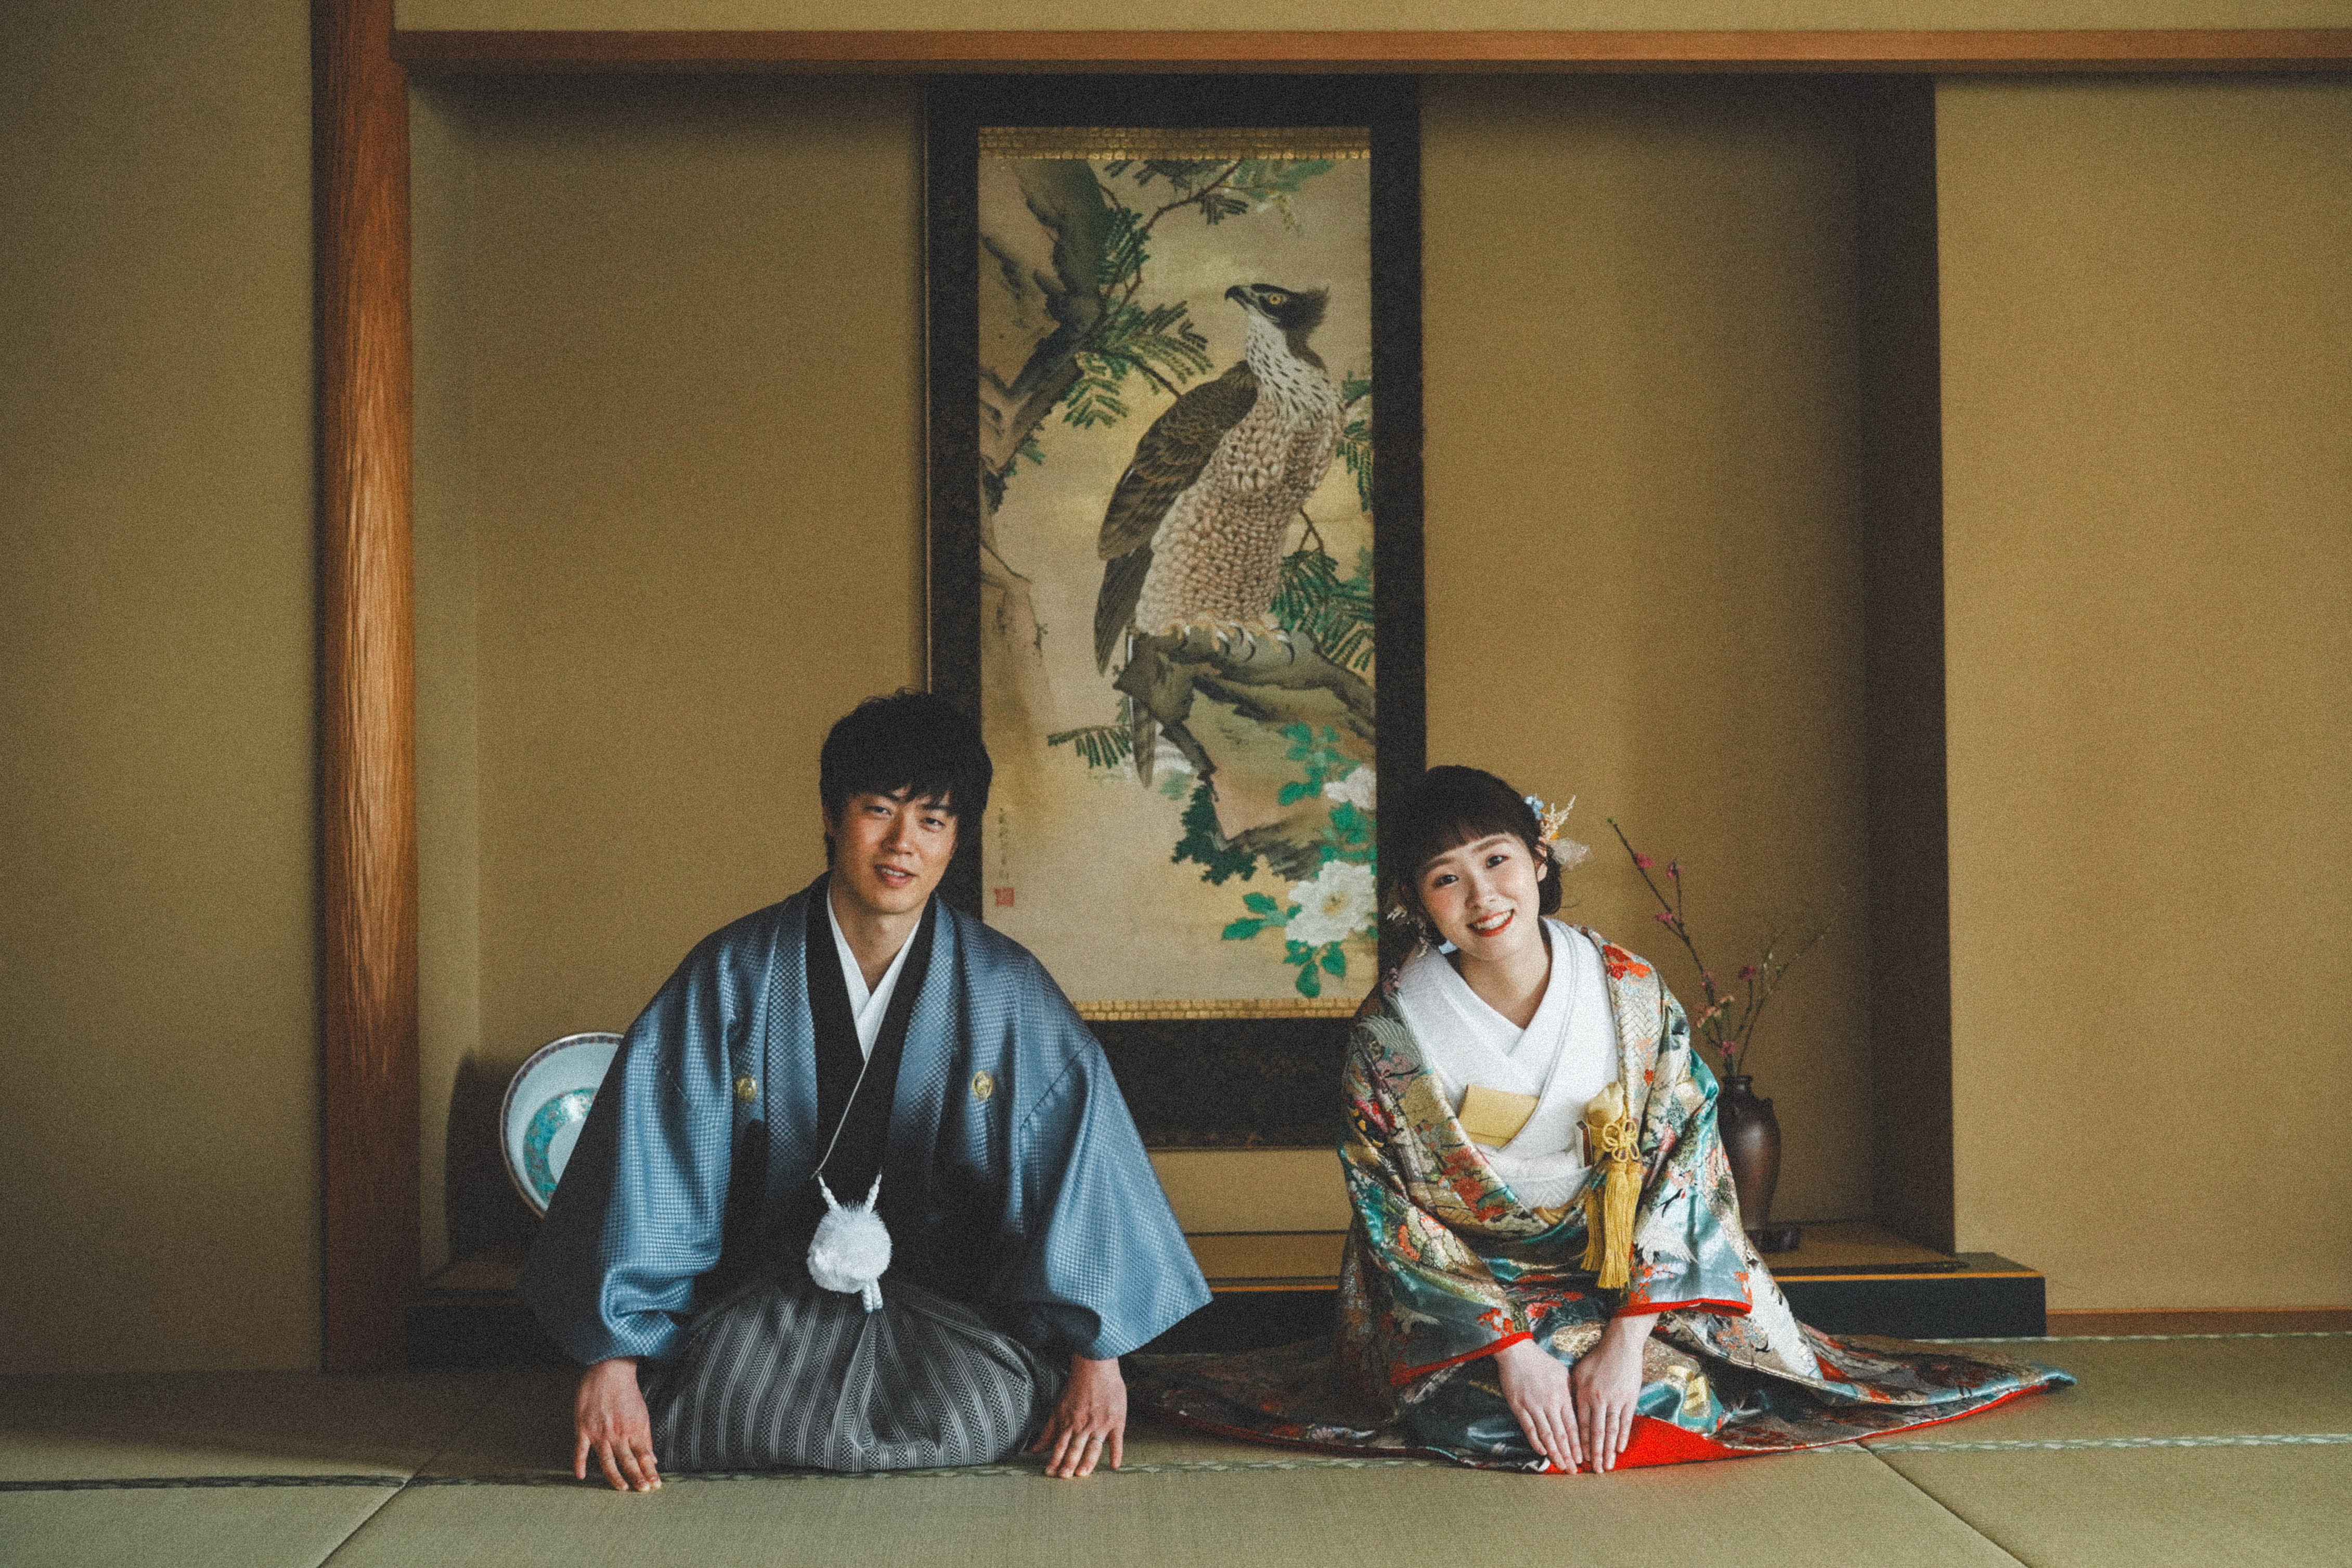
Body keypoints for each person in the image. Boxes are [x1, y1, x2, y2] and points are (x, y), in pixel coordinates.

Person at [1130, 766, 2070, 1472]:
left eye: (1496, 860)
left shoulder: (1624, 990)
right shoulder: (1391, 1032)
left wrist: (1624, 1342)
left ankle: (1628, 1374)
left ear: (1538, 859)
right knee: (1477, 1413)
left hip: (1618, 1274)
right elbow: (1392, 1212)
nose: (1481, 896)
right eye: (1445, 878)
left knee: (1670, 1388)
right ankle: (1537, 1384)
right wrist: (1511, 1355)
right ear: (1414, 901)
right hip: (1473, 1292)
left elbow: (1686, 1159)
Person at [523, 690, 1210, 1491]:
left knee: (988, 1406)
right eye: (878, 810)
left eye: (932, 820)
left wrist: (1099, 1361)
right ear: (831, 814)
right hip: (761, 1311)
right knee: (701, 1407)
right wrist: (612, 1365)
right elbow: (652, 1164)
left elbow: (1078, 1165)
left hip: (944, 1320)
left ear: (957, 838)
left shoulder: (1006, 991)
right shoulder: (732, 976)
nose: (901, 844)